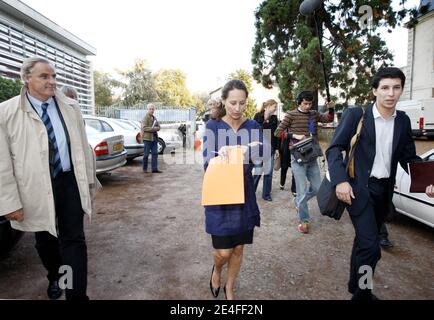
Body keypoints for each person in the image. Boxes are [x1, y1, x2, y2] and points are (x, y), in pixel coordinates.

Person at [325, 67, 433, 300]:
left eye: (396, 88)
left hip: (384, 193)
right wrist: (341, 181)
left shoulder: (403, 121)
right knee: (371, 247)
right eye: (384, 88)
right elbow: (334, 149)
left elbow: (408, 157)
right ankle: (362, 295)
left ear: (401, 90)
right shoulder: (357, 115)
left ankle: (357, 286)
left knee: (363, 243)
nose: (390, 93)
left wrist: (428, 182)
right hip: (357, 190)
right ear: (375, 91)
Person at [0, 56, 98, 300]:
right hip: (33, 187)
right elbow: (2, 162)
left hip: (68, 181)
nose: (52, 81)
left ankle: (76, 296)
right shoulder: (6, 113)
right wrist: (9, 202)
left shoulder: (70, 107)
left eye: (54, 76)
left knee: (74, 240)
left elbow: (82, 148)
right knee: (45, 239)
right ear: (26, 79)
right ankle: (56, 276)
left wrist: (89, 181)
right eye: (44, 76)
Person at [203, 80, 268, 300]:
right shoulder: (213, 126)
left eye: (242, 103)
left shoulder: (252, 126)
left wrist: (250, 152)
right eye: (232, 103)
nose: (237, 108)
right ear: (223, 101)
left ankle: (229, 287)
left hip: (244, 195)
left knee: (238, 249)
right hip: (220, 196)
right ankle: (217, 269)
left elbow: (263, 154)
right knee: (223, 252)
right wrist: (224, 155)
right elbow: (206, 162)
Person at [275, 91, 334, 234]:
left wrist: (331, 108)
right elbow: (278, 132)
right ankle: (304, 220)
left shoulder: (313, 114)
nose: (308, 106)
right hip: (298, 158)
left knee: (317, 188)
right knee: (301, 190)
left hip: (312, 155)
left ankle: (298, 202)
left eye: (310, 103)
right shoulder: (291, 115)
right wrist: (294, 135)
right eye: (305, 103)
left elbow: (328, 119)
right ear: (299, 102)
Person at [253, 99, 279, 201]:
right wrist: (265, 121)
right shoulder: (257, 116)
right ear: (268, 106)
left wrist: (277, 148)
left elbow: (276, 135)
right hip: (259, 148)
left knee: (269, 172)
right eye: (274, 107)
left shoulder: (274, 118)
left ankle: (266, 194)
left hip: (270, 148)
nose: (275, 109)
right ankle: (251, 191)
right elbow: (256, 130)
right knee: (258, 171)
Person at [141, 103, 162, 173]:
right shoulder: (145, 118)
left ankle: (154, 169)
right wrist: (154, 129)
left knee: (155, 154)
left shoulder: (154, 118)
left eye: (153, 109)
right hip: (147, 139)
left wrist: (156, 128)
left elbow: (159, 127)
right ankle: (144, 169)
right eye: (150, 109)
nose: (151, 110)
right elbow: (144, 128)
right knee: (146, 154)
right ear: (147, 110)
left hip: (154, 139)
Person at [278, 129, 297, 196]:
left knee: (295, 170)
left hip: (294, 151)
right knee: (284, 168)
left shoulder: (296, 127)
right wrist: (278, 150)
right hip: (285, 151)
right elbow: (279, 138)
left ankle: (294, 189)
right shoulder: (284, 127)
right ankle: (282, 183)